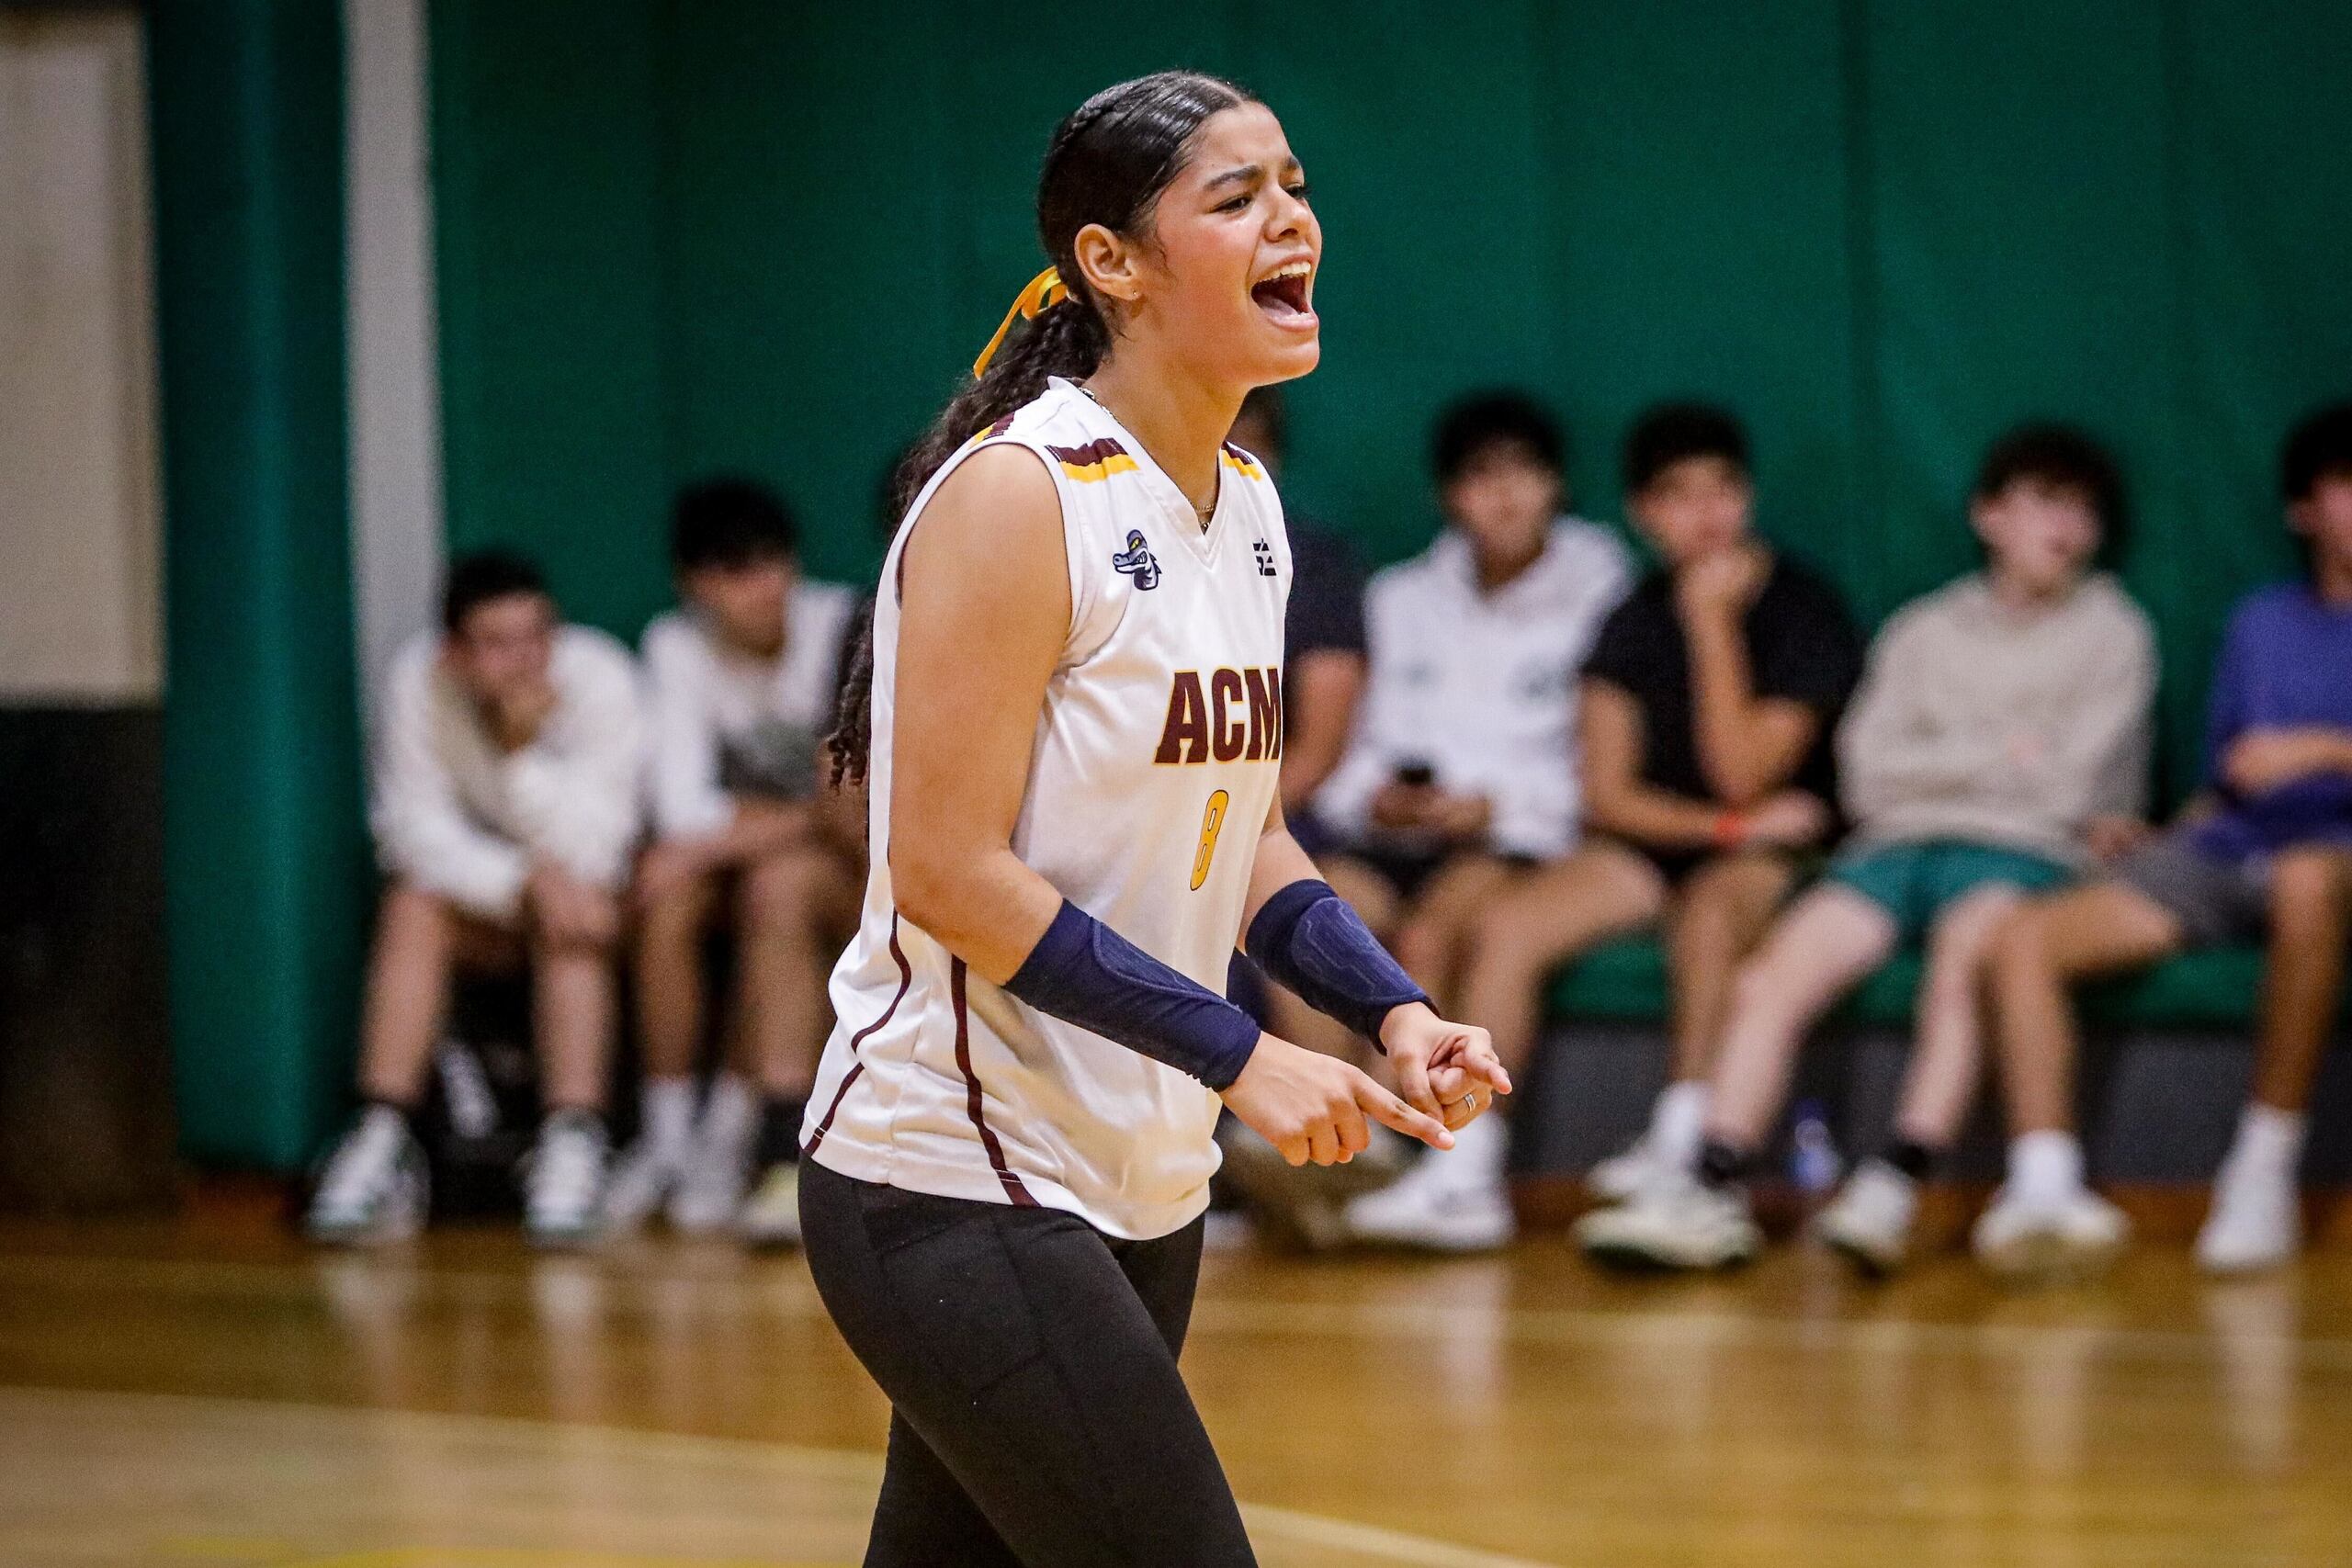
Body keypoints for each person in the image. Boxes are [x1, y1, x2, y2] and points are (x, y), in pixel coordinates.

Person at [795, 73, 1506, 1566]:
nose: (1291, 219)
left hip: (1142, 1176)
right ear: (1110, 261)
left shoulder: (1248, 506)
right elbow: (946, 874)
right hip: (953, 1172)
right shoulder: (1015, 496)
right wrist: (1246, 1054)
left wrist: (1392, 1010)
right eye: (1235, 196)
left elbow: (1249, 831)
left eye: (1295, 185)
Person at [1576, 425, 2154, 1272]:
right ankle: (1710, 1181)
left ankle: (1894, 1184)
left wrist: (1947, 760)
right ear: (1990, 515)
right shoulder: (1924, 629)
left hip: (2021, 851)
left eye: (2081, 510)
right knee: (1774, 974)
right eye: (2043, 503)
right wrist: (2003, 753)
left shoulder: (2114, 632)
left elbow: (2069, 787)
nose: (2063, 527)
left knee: (1965, 959)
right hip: (1893, 846)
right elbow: (1869, 774)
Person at [1442, 403, 1866, 1243]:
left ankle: (1684, 1144)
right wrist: (1725, 830)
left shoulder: (1804, 607)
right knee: (1508, 924)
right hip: (1697, 840)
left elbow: (1744, 772)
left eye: (1723, 489)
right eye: (1679, 495)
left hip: (1786, 855)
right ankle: (1463, 1171)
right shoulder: (1631, 617)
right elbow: (1608, 795)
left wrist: (1711, 622)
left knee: (1711, 912)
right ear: (1644, 513)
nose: (1706, 514)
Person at [1977, 401, 2352, 1280]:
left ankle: (2261, 1172)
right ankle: (2043, 1188)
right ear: (2304, 510)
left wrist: (2322, 749)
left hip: (2328, 860)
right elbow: (2229, 779)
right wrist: (2158, 835)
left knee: (2306, 878)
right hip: (2233, 849)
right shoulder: (2260, 622)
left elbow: (2286, 760)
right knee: (2025, 935)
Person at [1293, 391, 1629, 1250]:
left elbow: (1597, 761)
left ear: (1556, 485)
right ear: (1451, 495)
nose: (1506, 496)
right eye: (1482, 477)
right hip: (1391, 836)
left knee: (1439, 929)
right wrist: (1374, 796)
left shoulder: (1603, 589)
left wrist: (1494, 806)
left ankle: (1438, 1161)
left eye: (1525, 473)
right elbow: (1358, 746)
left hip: (1515, 838)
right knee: (1309, 913)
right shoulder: (1403, 595)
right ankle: (1333, 1140)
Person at [307, 551, 643, 1247]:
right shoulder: (418, 683)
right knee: (413, 905)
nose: (525, 660)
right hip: (497, 908)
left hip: (606, 910)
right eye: (498, 643)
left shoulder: (602, 678)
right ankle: (383, 1134)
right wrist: (521, 882)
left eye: (537, 635)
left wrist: (519, 752)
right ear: (454, 653)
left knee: (573, 916)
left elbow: (598, 849)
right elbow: (410, 833)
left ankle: (574, 1142)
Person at [605, 480, 861, 1247]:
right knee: (667, 892)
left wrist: (771, 827)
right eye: (739, 571)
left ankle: (734, 1139)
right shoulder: (675, 645)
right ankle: (669, 1141)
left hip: (838, 869)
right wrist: (795, 820)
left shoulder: (843, 625)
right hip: (749, 861)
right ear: (696, 585)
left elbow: (846, 809)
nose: (767, 586)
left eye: (776, 562)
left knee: (771, 888)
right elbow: (681, 813)